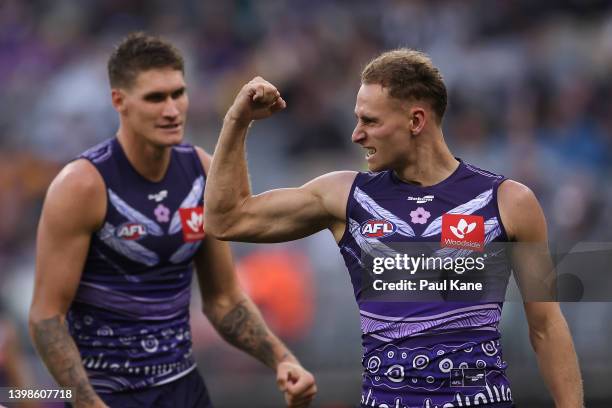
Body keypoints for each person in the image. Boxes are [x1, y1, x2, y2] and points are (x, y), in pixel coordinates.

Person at [203, 49, 584, 407]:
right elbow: (227, 218)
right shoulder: (344, 197)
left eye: (370, 121)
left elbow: (547, 327)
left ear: (416, 121)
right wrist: (237, 121)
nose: (356, 134)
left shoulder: (508, 202)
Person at [29, 32, 316, 408]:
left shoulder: (200, 172)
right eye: (154, 97)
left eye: (177, 93)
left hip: (182, 390)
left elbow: (224, 301)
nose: (171, 109)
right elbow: (47, 317)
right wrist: (87, 403)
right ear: (120, 101)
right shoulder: (83, 185)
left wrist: (283, 360)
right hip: (107, 393)